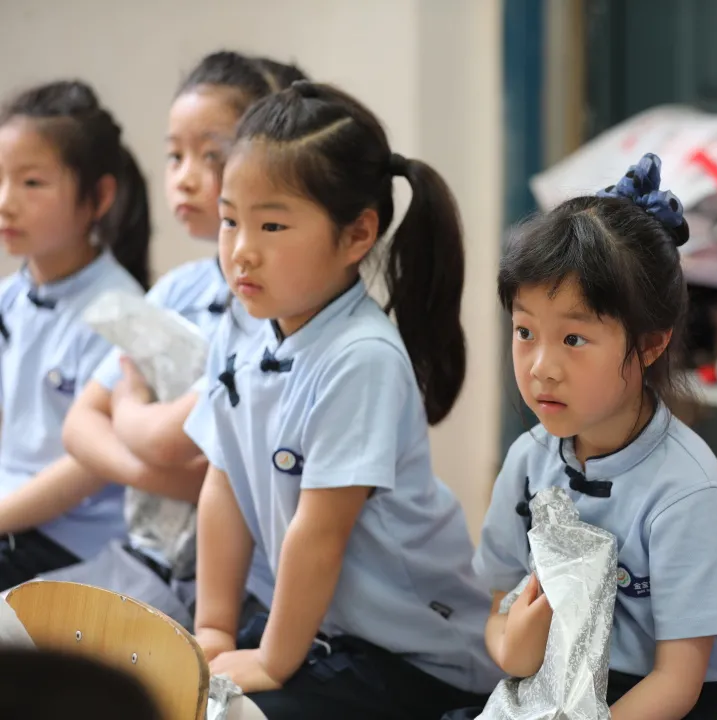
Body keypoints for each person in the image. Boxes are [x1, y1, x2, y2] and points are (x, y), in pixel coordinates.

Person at [182, 81, 501, 719]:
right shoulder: (242, 325)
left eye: (271, 224)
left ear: (357, 235)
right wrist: (213, 630)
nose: (241, 248)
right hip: (312, 626)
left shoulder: (362, 358)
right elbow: (224, 480)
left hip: (411, 655)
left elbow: (319, 534)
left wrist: (271, 661)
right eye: (230, 220)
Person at [472, 154, 717, 719]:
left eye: (573, 339)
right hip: (558, 689)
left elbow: (678, 683)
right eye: (525, 331)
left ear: (650, 344)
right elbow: (498, 611)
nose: (541, 367)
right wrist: (512, 645)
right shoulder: (529, 461)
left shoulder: (689, 497)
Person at [59, 51, 307, 627]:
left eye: (211, 155)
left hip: (249, 590)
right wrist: (163, 470)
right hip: (155, 558)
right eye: (175, 154)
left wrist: (128, 401)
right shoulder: (177, 289)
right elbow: (79, 427)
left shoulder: (273, 313)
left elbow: (172, 444)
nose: (185, 175)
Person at [0, 79, 150, 586]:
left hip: (73, 540)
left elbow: (89, 467)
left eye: (31, 183)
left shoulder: (122, 312)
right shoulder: (9, 297)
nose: (6, 201)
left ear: (99, 195)